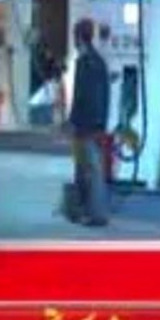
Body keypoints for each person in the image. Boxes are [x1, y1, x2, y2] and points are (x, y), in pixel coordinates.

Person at [66, 18, 111, 226]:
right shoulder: (100, 61)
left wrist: (72, 121)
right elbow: (105, 94)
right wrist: (102, 122)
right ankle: (85, 211)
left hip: (84, 125)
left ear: (78, 37)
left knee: (89, 169)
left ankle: (95, 214)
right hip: (97, 123)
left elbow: (81, 95)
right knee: (89, 168)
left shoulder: (83, 62)